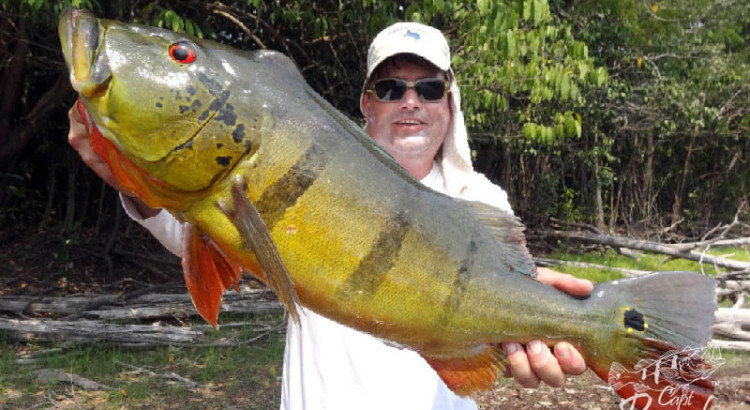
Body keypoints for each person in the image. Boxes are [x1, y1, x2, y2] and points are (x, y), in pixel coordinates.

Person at [68, 21, 592, 410]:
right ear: (366, 103)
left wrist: (557, 320)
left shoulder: (480, 199)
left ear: (450, 105)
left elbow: (514, 291)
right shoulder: (291, 161)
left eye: (428, 88)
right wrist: (129, 181)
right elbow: (188, 230)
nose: (409, 101)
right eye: (390, 89)